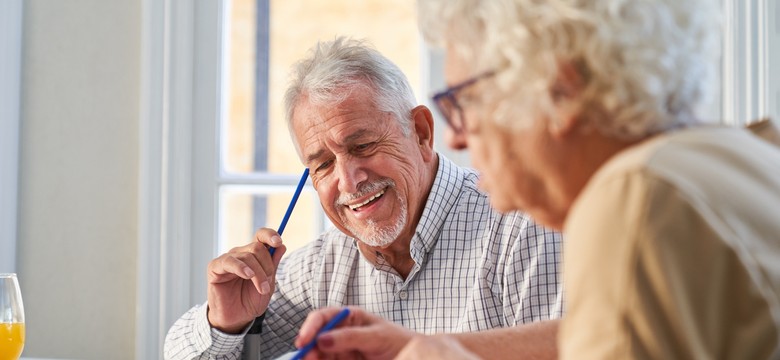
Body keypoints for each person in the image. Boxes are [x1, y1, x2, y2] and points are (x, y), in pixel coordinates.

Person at [295, 0, 780, 358]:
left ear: (559, 91)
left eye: (465, 102)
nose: (458, 140)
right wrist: (429, 349)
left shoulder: (633, 198)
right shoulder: (736, 156)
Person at [163, 37, 564, 360]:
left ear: (422, 133)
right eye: (322, 165)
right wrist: (225, 323)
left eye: (364, 146)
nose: (348, 181)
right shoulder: (321, 267)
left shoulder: (523, 229)